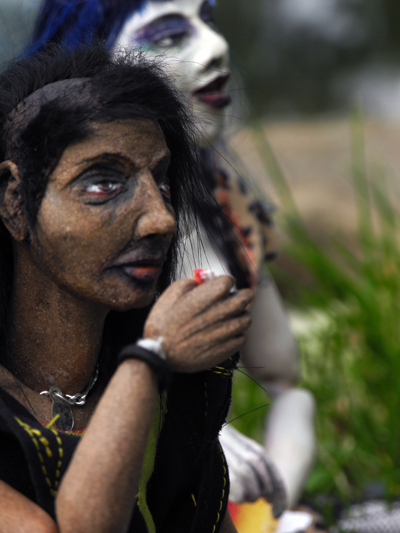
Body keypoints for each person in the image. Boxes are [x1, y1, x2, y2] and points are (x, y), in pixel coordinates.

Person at [27, 0, 317, 522]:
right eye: (167, 36)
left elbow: (285, 383)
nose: (216, 48)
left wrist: (267, 507)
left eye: (210, 20)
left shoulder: (224, 198)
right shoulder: (45, 227)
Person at [0, 42, 254, 532]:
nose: (161, 219)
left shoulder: (170, 400)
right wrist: (152, 356)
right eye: (102, 183)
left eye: (160, 181)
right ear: (14, 202)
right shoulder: (153, 368)